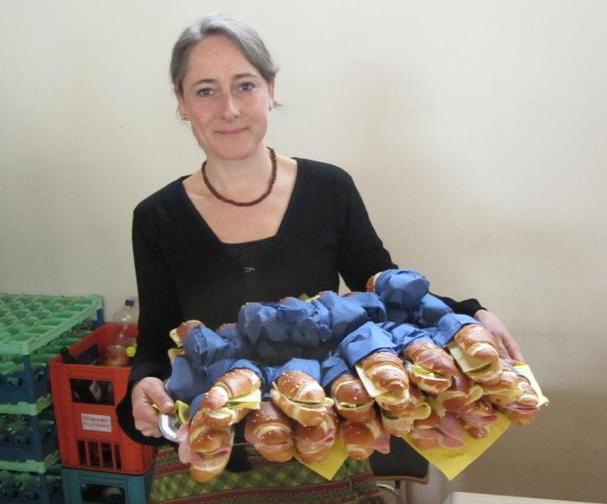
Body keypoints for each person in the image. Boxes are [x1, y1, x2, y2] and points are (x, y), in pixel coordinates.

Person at [117, 12, 523, 504]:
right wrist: (142, 386)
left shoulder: (328, 190)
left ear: (270, 89)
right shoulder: (157, 217)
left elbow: (383, 288)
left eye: (245, 85)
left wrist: (467, 315)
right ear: (182, 103)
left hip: (324, 443)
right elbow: (156, 341)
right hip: (206, 450)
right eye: (206, 91)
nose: (229, 109)